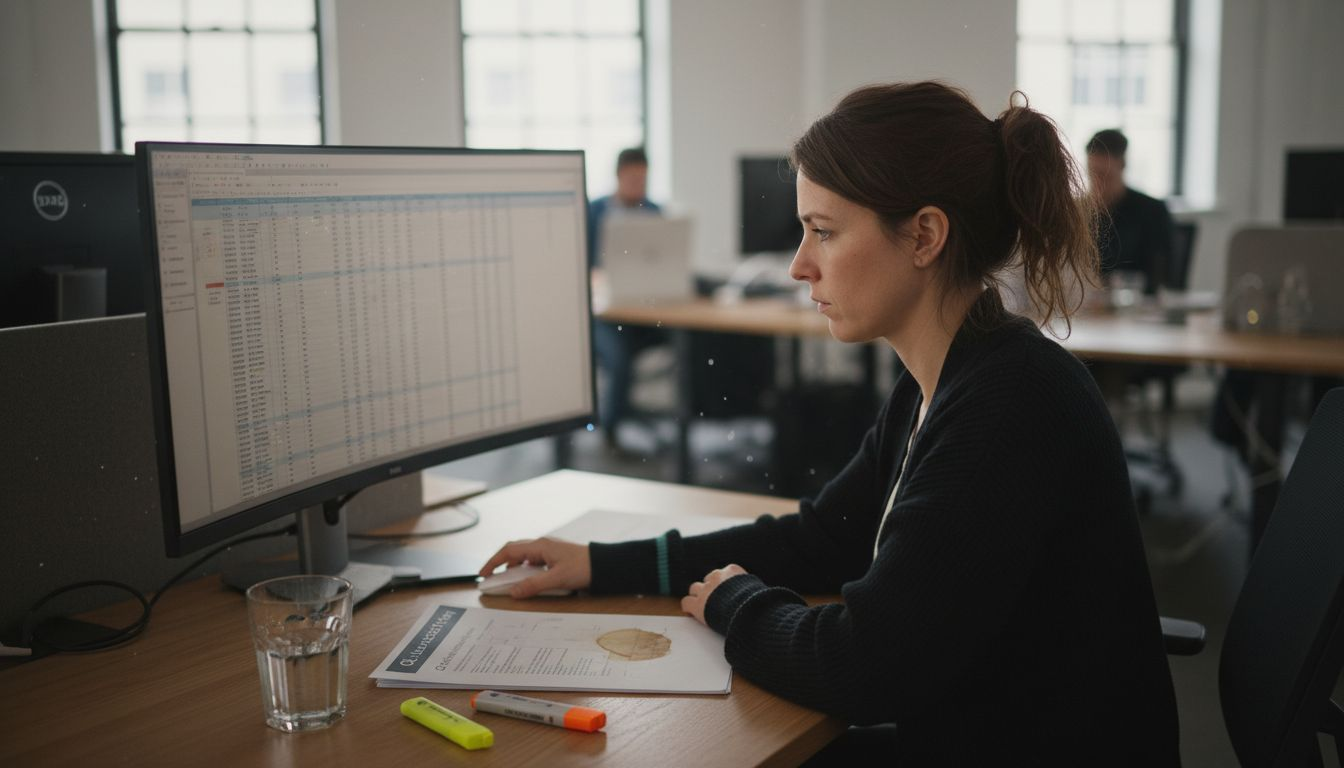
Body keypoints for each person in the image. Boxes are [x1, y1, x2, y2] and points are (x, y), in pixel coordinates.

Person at [481, 82, 1180, 763]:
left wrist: (736, 603)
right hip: (974, 727)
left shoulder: (1009, 406)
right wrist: (603, 564)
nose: (798, 266)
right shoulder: (939, 381)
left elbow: (863, 667)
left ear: (925, 236)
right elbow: (823, 538)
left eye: (823, 232)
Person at [588, 147, 667, 451]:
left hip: (646, 311)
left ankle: (689, 421)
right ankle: (611, 430)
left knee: (692, 342)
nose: (639, 185)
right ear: (619, 176)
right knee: (619, 359)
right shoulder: (595, 211)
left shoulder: (654, 212)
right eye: (633, 178)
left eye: (644, 179)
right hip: (603, 314)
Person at [1087, 128, 1176, 295]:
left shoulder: (1151, 211)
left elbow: (1160, 275)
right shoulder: (1082, 212)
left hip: (1136, 304)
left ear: (1122, 166)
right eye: (1092, 175)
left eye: (1104, 176)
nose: (1098, 185)